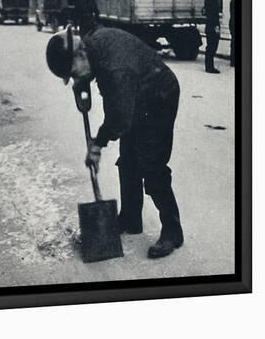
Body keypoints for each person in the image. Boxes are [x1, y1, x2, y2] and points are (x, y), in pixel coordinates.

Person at [46, 25, 184, 259]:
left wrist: (97, 145)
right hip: (137, 94)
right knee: (128, 161)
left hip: (159, 97)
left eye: (74, 73)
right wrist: (82, 84)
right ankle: (130, 219)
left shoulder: (115, 69)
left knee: (152, 167)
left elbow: (118, 119)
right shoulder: (92, 45)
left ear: (80, 55)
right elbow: (97, 81)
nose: (75, 79)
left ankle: (173, 231)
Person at [202, 0, 221, 74]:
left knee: (209, 46)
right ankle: (210, 67)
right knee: (213, 46)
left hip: (208, 25)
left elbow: (205, 11)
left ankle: (208, 66)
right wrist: (216, 27)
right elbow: (214, 14)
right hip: (213, 25)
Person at [229, 0, 236, 67]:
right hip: (234, 23)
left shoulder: (232, 1)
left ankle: (232, 60)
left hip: (232, 23)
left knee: (233, 42)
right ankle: (233, 60)